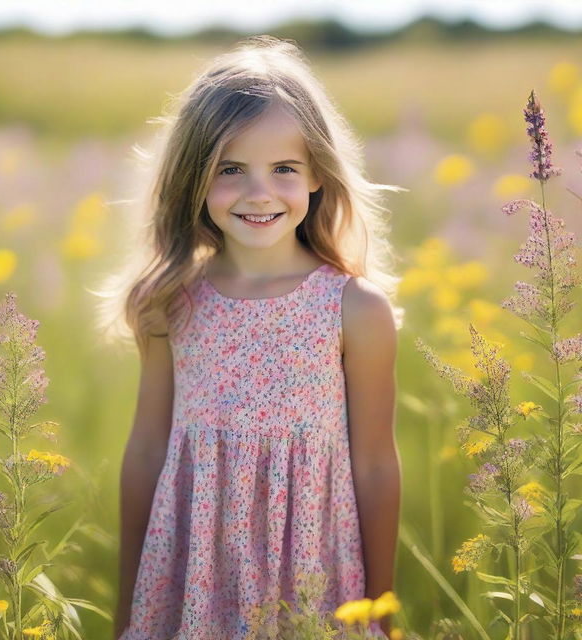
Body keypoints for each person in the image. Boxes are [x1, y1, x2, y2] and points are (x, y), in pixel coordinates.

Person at [97, 34, 406, 640]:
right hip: (194, 579)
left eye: (284, 169)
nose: (258, 192)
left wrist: (381, 610)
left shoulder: (354, 309)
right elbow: (145, 452)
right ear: (193, 179)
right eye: (230, 170)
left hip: (313, 575)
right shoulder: (169, 302)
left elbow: (374, 464)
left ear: (317, 174)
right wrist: (129, 603)